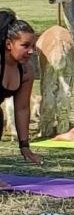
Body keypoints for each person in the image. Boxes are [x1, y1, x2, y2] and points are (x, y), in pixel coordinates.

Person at [0, 10, 42, 167]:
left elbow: (22, 108)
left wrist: (24, 146)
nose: (31, 51)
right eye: (25, 46)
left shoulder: (25, 71)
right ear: (8, 44)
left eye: (33, 46)